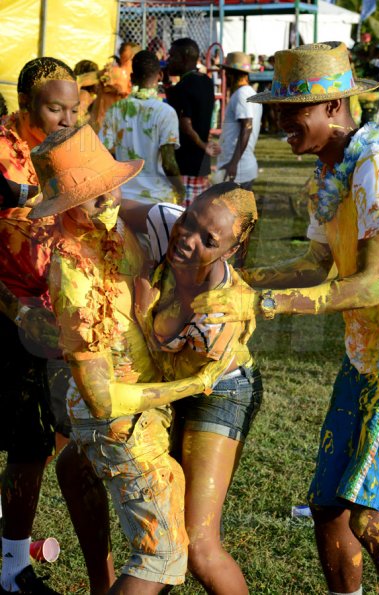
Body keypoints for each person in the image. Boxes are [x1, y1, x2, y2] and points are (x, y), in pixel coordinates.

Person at [193, 41, 379, 595]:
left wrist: (261, 304)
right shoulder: (328, 174)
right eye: (275, 110)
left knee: (374, 520)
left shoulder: (378, 162)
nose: (279, 121)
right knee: (328, 506)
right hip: (364, 359)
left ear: (333, 107)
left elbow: (374, 284)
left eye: (291, 110)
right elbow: (315, 264)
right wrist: (238, 281)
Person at [29, 124, 192, 595]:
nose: (108, 199)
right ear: (65, 208)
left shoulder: (114, 231)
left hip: (126, 411)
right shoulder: (72, 271)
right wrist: (192, 382)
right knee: (160, 556)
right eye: (92, 195)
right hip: (119, 420)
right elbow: (102, 400)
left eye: (109, 186)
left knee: (75, 470)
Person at [120, 183, 263, 595]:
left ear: (229, 251)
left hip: (219, 392)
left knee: (198, 545)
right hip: (167, 382)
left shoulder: (220, 311)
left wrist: (142, 308)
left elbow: (175, 367)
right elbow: (108, 210)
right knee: (161, 533)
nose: (187, 238)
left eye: (208, 239)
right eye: (189, 219)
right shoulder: (167, 222)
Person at [0, 57, 79, 594]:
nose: (67, 118)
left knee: (37, 440)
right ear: (27, 106)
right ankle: (12, 568)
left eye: (75, 108)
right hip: (8, 311)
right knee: (25, 440)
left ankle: (10, 563)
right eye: (55, 108)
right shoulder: (3, 152)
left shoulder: (68, 147)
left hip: (47, 312)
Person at [100, 50, 184, 205]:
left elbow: (104, 155)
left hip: (123, 198)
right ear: (159, 75)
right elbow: (169, 163)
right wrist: (181, 189)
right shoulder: (166, 112)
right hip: (157, 199)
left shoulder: (115, 110)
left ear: (132, 78)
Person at [166, 38, 217, 206]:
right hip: (201, 164)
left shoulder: (184, 86)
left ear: (184, 58)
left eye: (172, 56)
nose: (168, 60)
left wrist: (203, 145)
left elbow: (185, 124)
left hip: (184, 164)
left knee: (181, 217)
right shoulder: (206, 81)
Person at [215, 51, 262, 191]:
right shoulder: (249, 93)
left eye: (226, 73)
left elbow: (247, 127)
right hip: (238, 167)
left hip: (238, 169)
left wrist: (234, 163)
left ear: (231, 74)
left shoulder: (242, 94)